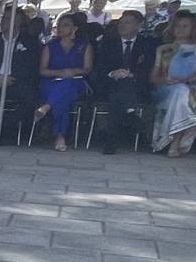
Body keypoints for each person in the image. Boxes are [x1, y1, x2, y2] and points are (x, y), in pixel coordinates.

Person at [149, 11, 196, 156]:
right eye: (177, 26)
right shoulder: (163, 48)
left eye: (185, 26)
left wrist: (184, 81)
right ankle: (194, 125)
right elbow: (153, 77)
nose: (180, 29)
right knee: (180, 92)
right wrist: (164, 80)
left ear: (193, 28)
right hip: (166, 90)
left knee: (181, 92)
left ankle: (174, 145)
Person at [90, 9, 153, 155]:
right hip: (110, 85)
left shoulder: (147, 44)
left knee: (119, 94)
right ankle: (130, 114)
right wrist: (113, 73)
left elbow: (148, 68)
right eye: (121, 22)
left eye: (128, 23)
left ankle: (111, 140)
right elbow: (99, 68)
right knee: (118, 91)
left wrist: (130, 74)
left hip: (136, 87)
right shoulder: (108, 43)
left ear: (138, 26)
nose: (122, 26)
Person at [36, 12, 90, 151]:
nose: (61, 28)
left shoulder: (84, 46)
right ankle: (60, 136)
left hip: (75, 82)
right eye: (59, 25)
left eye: (66, 25)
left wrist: (73, 71)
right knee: (62, 99)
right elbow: (42, 70)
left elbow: (87, 69)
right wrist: (59, 73)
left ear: (75, 28)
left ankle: (47, 107)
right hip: (51, 81)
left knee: (67, 85)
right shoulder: (50, 46)